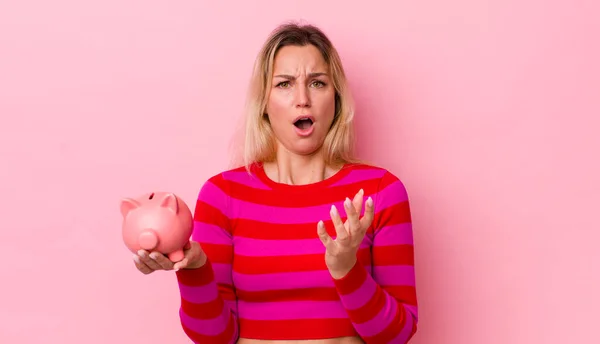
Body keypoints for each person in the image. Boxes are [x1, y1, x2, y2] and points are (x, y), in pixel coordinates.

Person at [132, 22, 419, 344]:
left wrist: (346, 268)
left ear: (336, 98)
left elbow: (397, 334)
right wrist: (194, 267)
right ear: (264, 104)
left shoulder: (380, 192)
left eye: (318, 83)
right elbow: (214, 337)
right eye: (284, 84)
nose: (302, 99)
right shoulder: (223, 195)